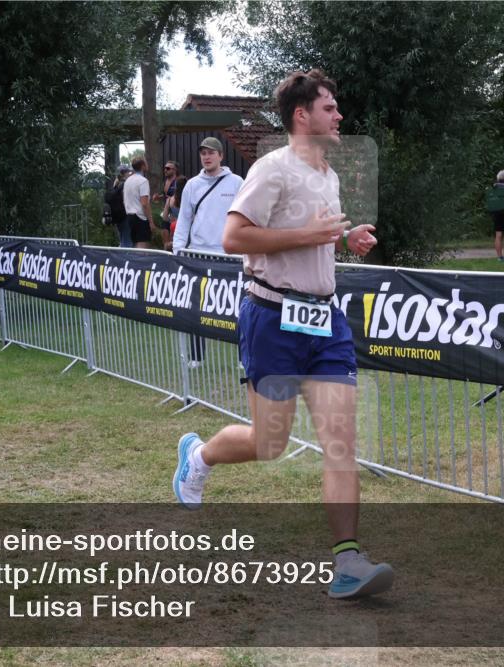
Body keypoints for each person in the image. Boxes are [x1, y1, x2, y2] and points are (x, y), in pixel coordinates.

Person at [172, 69, 392, 599]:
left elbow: (312, 237)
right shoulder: (272, 169)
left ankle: (348, 562)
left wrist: (344, 237)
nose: (339, 116)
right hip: (271, 316)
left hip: (325, 320)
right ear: (302, 115)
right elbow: (233, 237)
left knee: (340, 441)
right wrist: (311, 234)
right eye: (330, 108)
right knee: (269, 442)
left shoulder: (328, 174)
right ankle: (198, 457)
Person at [172, 137, 244, 254]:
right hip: (197, 252)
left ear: (221, 156)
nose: (206, 157)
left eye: (211, 153)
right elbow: (183, 220)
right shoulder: (191, 185)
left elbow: (245, 219)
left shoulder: (237, 182)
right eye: (203, 153)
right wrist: (177, 251)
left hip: (227, 252)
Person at [122, 157, 156, 249]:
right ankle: (141, 263)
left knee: (135, 244)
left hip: (129, 215)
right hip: (140, 217)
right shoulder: (143, 181)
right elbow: (144, 204)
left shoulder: (127, 181)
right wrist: (151, 222)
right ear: (143, 166)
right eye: (146, 163)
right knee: (143, 245)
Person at [106, 164, 133, 247]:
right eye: (129, 172)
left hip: (117, 216)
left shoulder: (116, 184)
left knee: (122, 239)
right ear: (125, 173)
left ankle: (122, 256)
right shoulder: (126, 184)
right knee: (127, 241)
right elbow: (126, 201)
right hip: (125, 215)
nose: (130, 173)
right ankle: (125, 259)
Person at [158, 161, 180, 249]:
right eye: (164, 168)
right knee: (165, 230)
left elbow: (181, 196)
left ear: (174, 170)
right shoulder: (166, 181)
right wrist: (159, 197)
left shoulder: (178, 182)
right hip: (167, 210)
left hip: (175, 211)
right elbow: (166, 195)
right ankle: (166, 250)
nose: (165, 170)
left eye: (168, 168)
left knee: (174, 238)